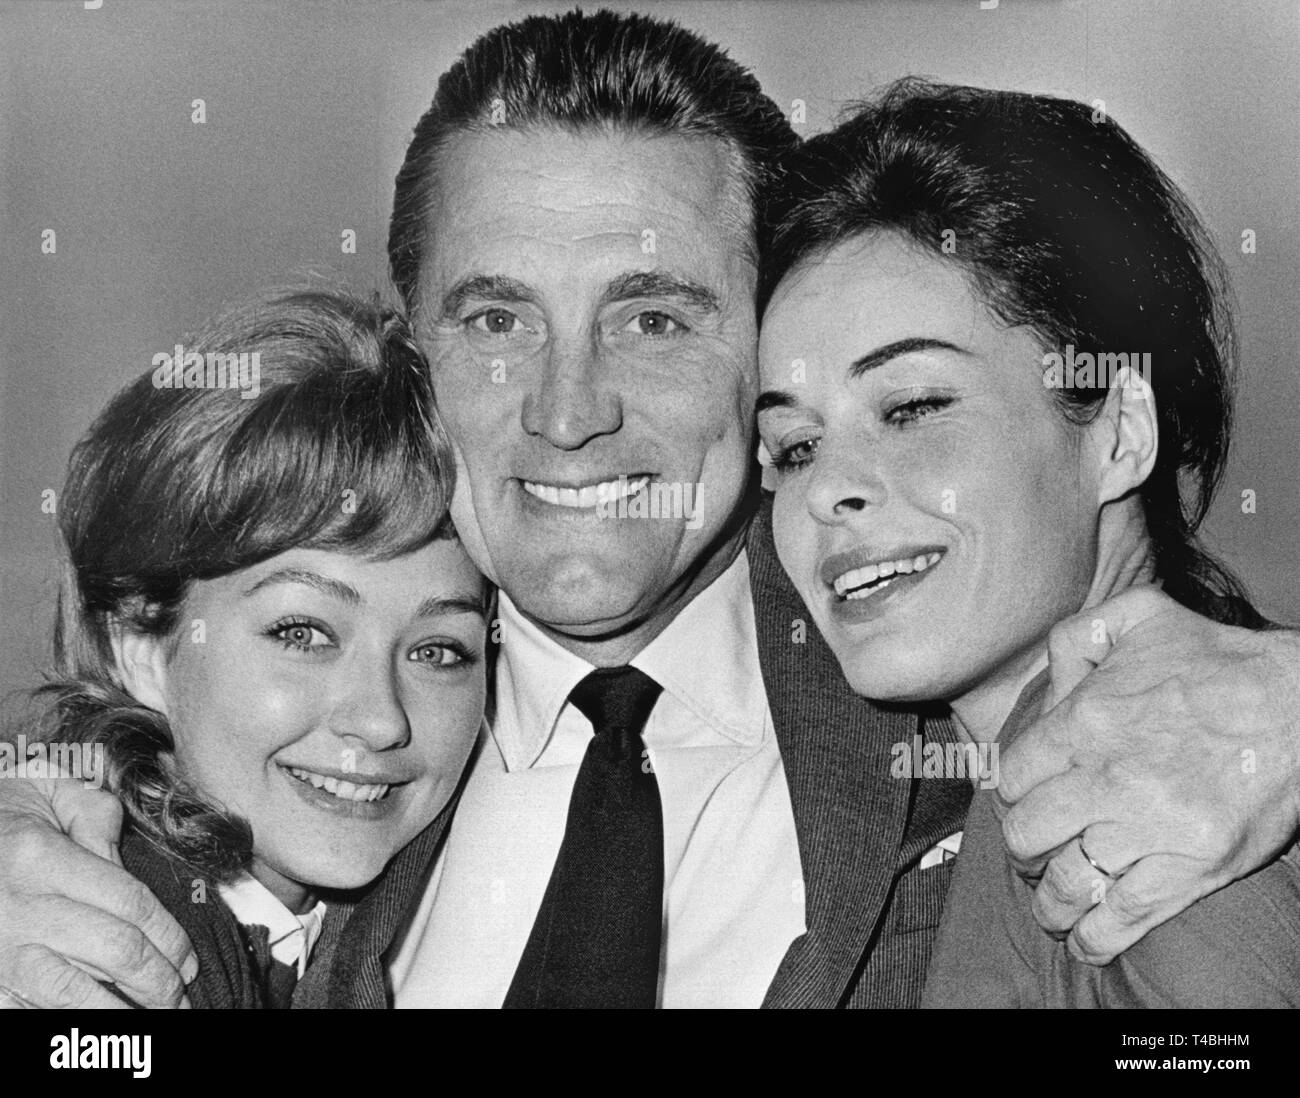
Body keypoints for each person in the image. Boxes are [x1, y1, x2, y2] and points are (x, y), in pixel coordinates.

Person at [2, 10, 1299, 1010]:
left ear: (760, 347)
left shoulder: (977, 687)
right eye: (498, 319)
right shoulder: (342, 754)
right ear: (418, 356)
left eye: (656, 317)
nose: (569, 412)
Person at [756, 78, 1300, 1006]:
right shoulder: (1023, 790)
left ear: (1119, 433)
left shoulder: (1168, 797)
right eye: (796, 447)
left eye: (914, 406)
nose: (829, 489)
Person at [2, 291, 489, 1008]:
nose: (381, 720)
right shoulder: (96, 949)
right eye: (303, 634)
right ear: (141, 644)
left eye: (439, 651)